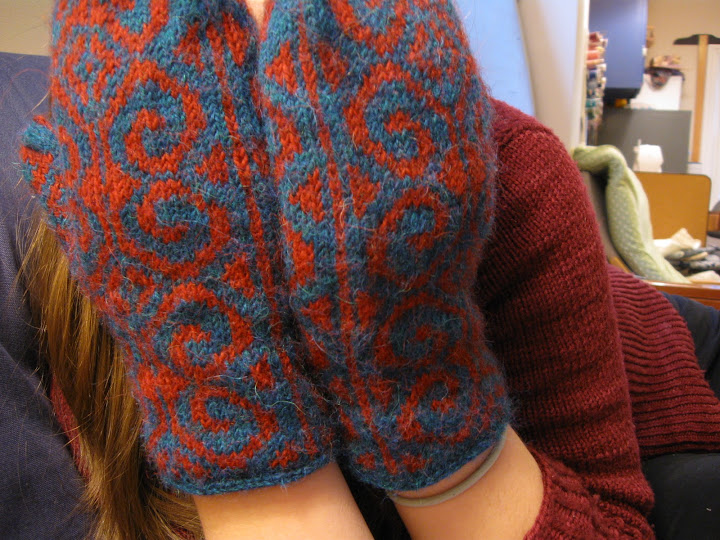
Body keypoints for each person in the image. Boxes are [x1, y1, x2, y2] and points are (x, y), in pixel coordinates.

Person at [13, 0, 720, 538]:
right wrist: (220, 363)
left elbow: (616, 519)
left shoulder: (514, 167)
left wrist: (402, 352)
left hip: (662, 363)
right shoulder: (105, 201)